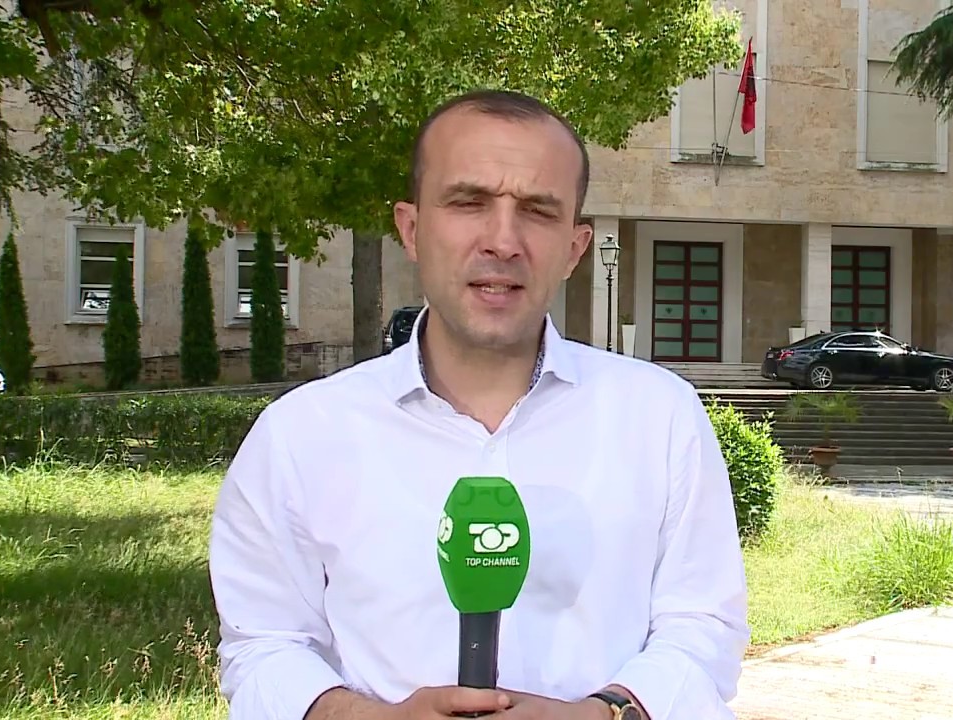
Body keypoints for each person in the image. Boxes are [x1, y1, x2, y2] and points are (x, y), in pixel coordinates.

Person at [207, 89, 750, 720]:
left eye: (537, 211)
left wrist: (600, 714)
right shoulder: (302, 434)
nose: (503, 240)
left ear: (575, 248)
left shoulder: (659, 417)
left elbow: (702, 629)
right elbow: (264, 646)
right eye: (468, 202)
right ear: (412, 229)